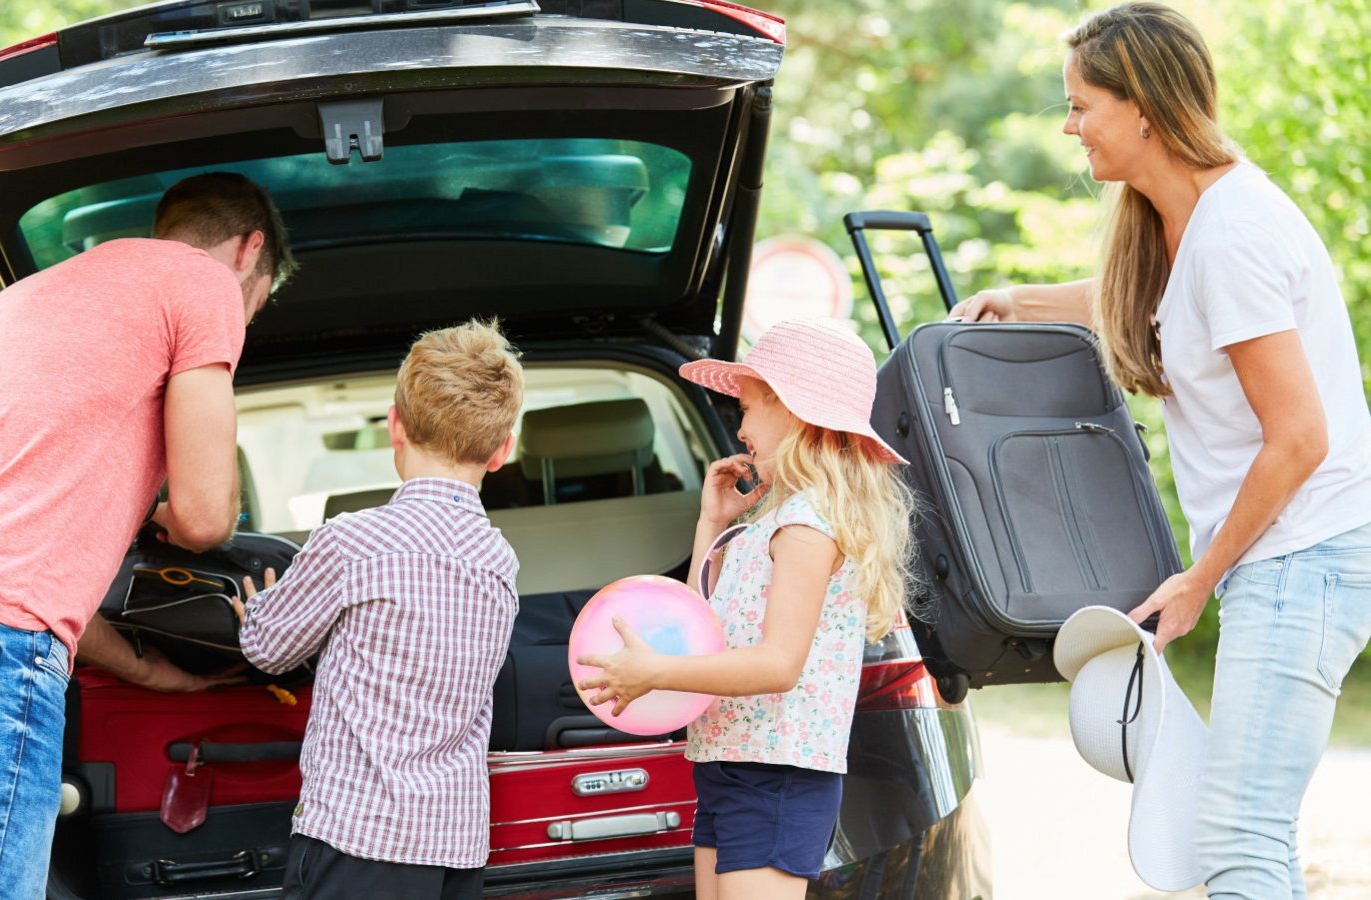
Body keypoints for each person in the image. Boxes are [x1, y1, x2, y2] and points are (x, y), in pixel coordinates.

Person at [949, 4, 1371, 896]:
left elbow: (1300, 437)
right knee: (1241, 829)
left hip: (1306, 558)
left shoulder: (1232, 235)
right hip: (1289, 558)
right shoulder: (1185, 221)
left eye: (1080, 106)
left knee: (1237, 836)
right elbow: (1144, 297)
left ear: (1142, 108)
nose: (1070, 127)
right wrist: (1018, 299)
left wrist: (1200, 577)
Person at [0, 171, 295, 900]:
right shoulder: (203, 282)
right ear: (249, 249)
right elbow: (204, 517)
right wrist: (173, 515)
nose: (243, 322)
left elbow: (28, 577)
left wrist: (153, 673)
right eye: (257, 304)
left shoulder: (29, 297)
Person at [577, 317, 915, 900]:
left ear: (795, 412)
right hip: (730, 765)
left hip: (776, 777)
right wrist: (711, 523)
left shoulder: (807, 526)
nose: (740, 427)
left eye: (749, 407)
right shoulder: (769, 522)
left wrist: (655, 672)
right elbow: (698, 627)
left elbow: (778, 664)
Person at [234, 319, 524, 900]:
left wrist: (258, 607)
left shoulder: (353, 542)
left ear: (395, 426)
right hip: (454, 846)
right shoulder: (498, 560)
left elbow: (268, 649)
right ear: (502, 451)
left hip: (358, 838)